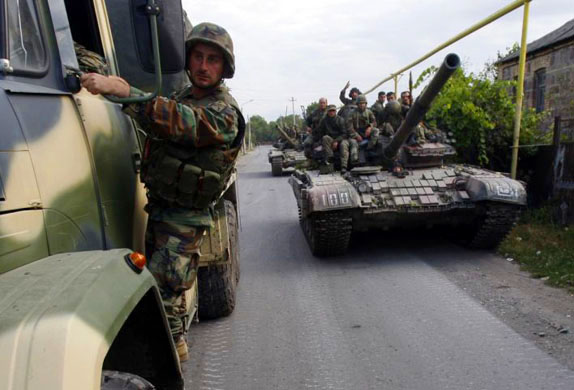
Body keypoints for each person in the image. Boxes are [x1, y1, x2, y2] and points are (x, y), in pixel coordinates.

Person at [80, 22, 244, 363]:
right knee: (163, 293)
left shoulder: (224, 112)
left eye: (212, 60)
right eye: (197, 56)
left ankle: (170, 367)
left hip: (184, 218)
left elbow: (182, 122)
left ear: (224, 68)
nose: (202, 66)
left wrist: (127, 93)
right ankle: (177, 349)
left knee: (163, 298)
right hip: (162, 210)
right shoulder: (183, 97)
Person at [316, 104, 358, 173]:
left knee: (343, 145)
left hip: (340, 139)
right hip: (330, 139)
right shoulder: (324, 121)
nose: (331, 112)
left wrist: (336, 141)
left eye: (333, 111)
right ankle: (330, 159)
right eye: (330, 111)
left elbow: (344, 133)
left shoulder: (340, 120)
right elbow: (321, 132)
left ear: (335, 111)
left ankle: (344, 166)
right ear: (328, 112)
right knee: (325, 138)